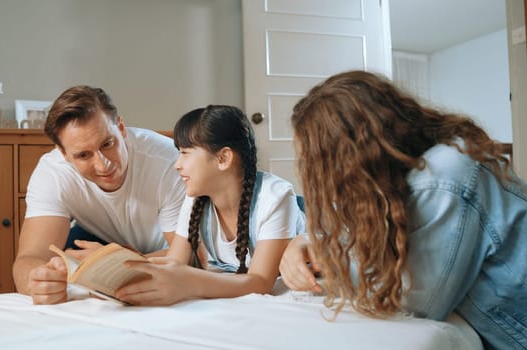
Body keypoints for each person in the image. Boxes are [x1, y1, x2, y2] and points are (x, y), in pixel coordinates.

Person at [278, 70, 527, 349]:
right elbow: (355, 232)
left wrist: (329, 268)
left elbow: (414, 302)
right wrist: (302, 242)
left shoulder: (445, 174)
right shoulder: (393, 181)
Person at [113, 105, 305, 305]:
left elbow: (261, 283)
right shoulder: (196, 199)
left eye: (185, 153)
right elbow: (175, 262)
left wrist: (190, 283)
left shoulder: (275, 197)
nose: (177, 164)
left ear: (223, 158)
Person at [12, 85, 186, 305]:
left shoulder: (168, 162)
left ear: (121, 128)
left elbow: (190, 256)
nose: (103, 165)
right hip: (99, 241)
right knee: (62, 257)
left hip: (162, 249)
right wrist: (37, 281)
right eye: (84, 155)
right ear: (63, 153)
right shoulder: (52, 173)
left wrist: (123, 261)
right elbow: (28, 259)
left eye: (107, 144)